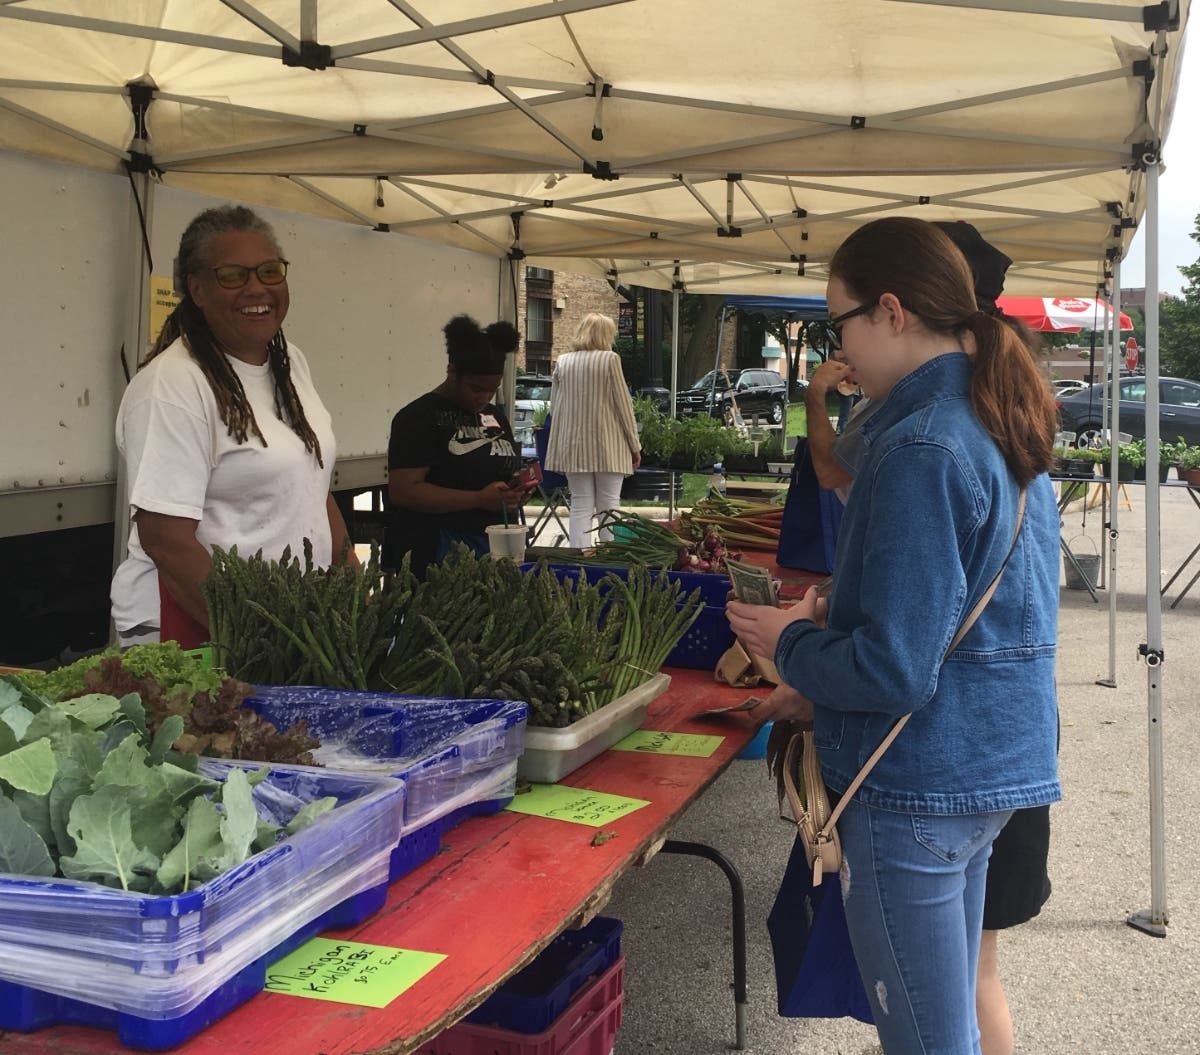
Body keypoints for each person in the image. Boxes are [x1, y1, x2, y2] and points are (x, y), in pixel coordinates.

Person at [729, 216, 1061, 1055]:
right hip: (986, 770)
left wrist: (790, 642)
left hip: (915, 781)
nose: (836, 349)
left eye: (836, 324)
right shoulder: (995, 416)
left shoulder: (920, 443)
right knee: (949, 1029)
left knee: (927, 1039)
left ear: (889, 311)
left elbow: (894, 667)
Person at [110, 204, 354, 649]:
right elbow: (166, 541)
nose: (256, 288)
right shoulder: (173, 384)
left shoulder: (289, 362)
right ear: (197, 289)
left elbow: (311, 482)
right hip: (199, 626)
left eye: (269, 271)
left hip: (288, 624)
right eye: (233, 276)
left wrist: (354, 588)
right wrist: (257, 638)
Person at [386, 315, 526, 576]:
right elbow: (404, 491)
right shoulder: (418, 417)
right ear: (452, 371)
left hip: (495, 547)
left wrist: (515, 490)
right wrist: (478, 499)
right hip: (439, 551)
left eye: (492, 389)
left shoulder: (495, 416)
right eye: (476, 388)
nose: (483, 398)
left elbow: (501, 471)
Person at [544, 313, 642, 549]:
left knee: (580, 504)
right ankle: (609, 554)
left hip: (574, 446)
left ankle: (580, 555)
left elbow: (555, 407)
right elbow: (623, 406)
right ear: (604, 335)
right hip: (609, 445)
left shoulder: (563, 361)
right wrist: (634, 446)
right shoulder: (610, 360)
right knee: (609, 504)